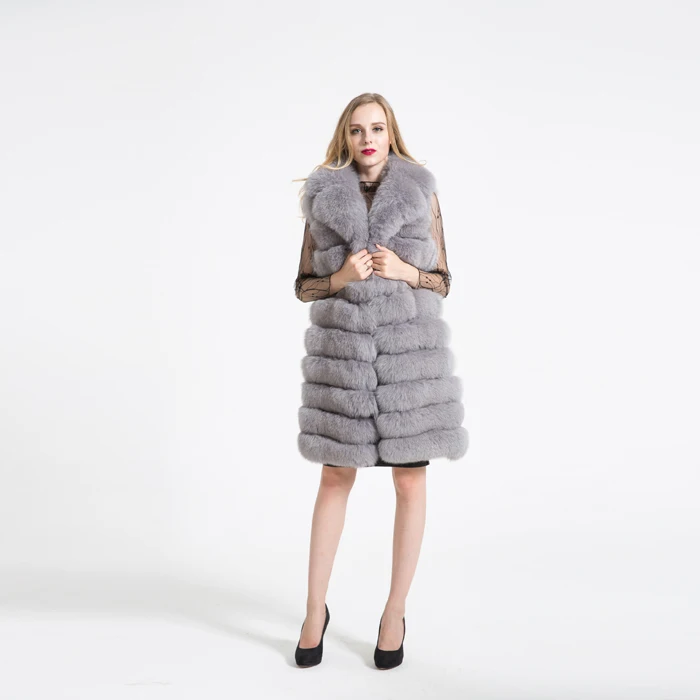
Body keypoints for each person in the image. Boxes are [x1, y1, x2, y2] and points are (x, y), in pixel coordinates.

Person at [293, 93, 468, 669]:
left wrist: (406, 271)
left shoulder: (421, 191)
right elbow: (303, 285)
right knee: (334, 477)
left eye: (376, 128)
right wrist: (341, 277)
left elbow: (443, 280)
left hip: (407, 361)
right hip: (343, 362)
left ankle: (394, 614)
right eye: (356, 130)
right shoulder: (323, 196)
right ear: (345, 138)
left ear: (391, 133)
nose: (367, 138)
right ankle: (313, 611)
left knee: (410, 483)